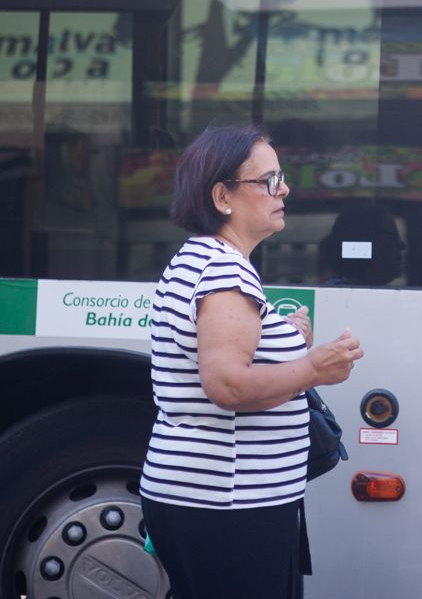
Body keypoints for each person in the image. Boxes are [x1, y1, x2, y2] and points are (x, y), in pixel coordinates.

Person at [139, 124, 364, 599]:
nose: (283, 189)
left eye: (280, 177)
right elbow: (228, 385)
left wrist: (286, 336)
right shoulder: (223, 271)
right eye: (267, 181)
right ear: (222, 195)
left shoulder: (202, 260)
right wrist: (314, 367)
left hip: (212, 498)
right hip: (228, 501)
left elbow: (228, 351)